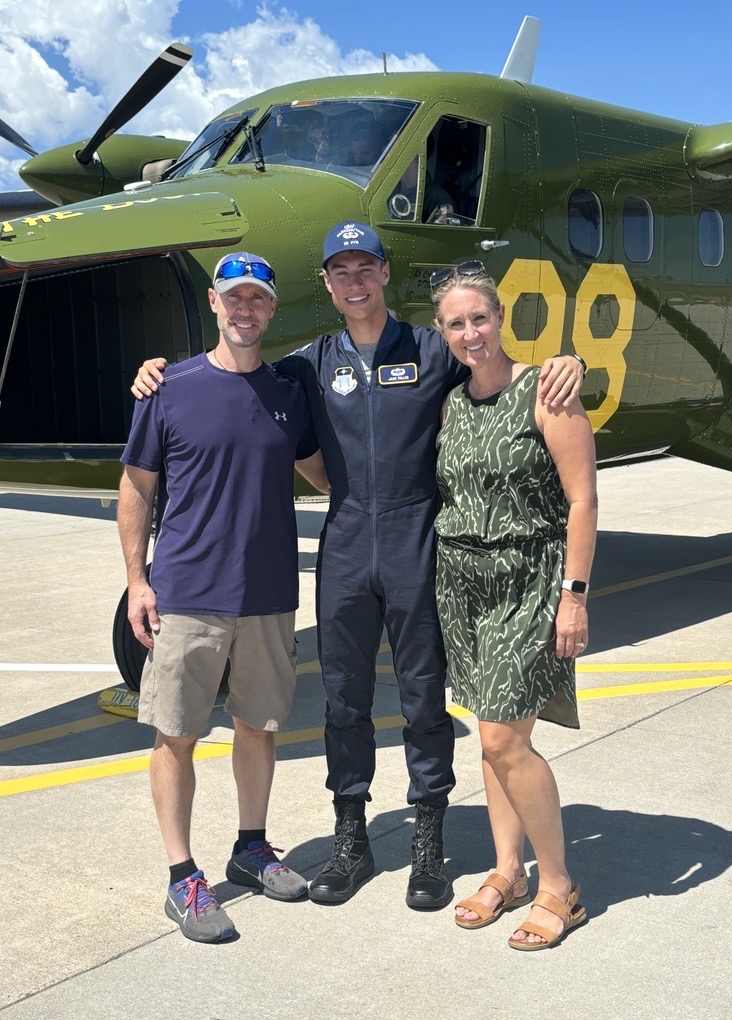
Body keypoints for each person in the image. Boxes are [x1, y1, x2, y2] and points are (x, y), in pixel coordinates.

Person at [132, 223, 585, 912]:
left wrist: (565, 360)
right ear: (326, 285)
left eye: (364, 267)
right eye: (339, 270)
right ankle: (353, 837)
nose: (354, 280)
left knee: (422, 698)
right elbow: (235, 369)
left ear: (383, 272)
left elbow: (494, 359)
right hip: (345, 540)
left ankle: (427, 841)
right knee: (344, 701)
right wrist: (155, 371)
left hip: (415, 538)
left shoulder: (432, 349)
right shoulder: (305, 365)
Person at [118, 252, 328, 943]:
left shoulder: (287, 392)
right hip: (187, 595)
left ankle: (251, 848)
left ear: (271, 310)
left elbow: (325, 474)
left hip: (268, 596)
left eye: (258, 300)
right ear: (214, 303)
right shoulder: (168, 388)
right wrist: (137, 581)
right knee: (175, 736)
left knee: (258, 727)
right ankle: (183, 879)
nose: (245, 310)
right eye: (234, 298)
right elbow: (137, 490)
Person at [429, 261, 597, 950]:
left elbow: (583, 500)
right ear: (441, 333)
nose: (470, 333)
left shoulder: (547, 391)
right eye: (455, 323)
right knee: (493, 734)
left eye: (479, 318)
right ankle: (508, 870)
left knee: (504, 740)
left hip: (528, 580)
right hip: (461, 584)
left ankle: (559, 886)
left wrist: (573, 597)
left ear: (501, 318)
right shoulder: (451, 400)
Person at [388, 157, 455, 223]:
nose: (403, 168)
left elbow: (441, 231)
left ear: (420, 165)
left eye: (408, 163)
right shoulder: (390, 190)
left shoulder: (440, 200)